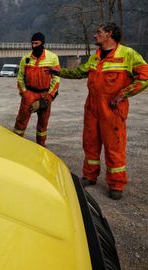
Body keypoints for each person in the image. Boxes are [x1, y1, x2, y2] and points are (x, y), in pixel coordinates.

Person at [48, 23, 148, 200]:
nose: (95, 36)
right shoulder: (96, 57)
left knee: (114, 146)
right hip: (92, 108)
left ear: (109, 34)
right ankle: (89, 176)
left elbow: (145, 76)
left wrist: (122, 95)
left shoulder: (127, 54)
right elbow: (79, 71)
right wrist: (58, 71)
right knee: (90, 142)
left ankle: (116, 184)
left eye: (98, 33)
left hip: (112, 110)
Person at [13, 32, 60, 147]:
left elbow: (56, 78)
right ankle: (15, 144)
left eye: (36, 43)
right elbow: (20, 77)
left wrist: (49, 96)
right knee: (21, 121)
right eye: (32, 43)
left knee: (43, 123)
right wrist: (24, 92)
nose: (34, 46)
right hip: (29, 94)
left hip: (45, 94)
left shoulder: (52, 58)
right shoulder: (26, 58)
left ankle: (41, 145)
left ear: (43, 43)